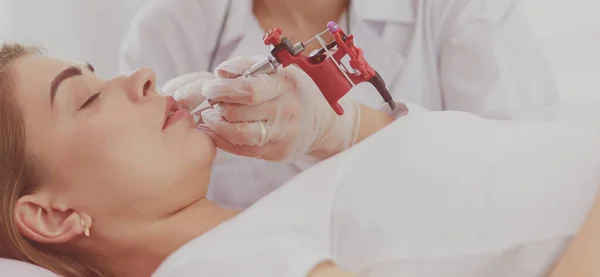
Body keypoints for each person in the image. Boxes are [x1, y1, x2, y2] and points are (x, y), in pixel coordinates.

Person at [1, 43, 600, 277]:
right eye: (86, 97)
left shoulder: (260, 228)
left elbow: (459, 187)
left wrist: (337, 130)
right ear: (52, 216)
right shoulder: (210, 269)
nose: (139, 76)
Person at [119, 0, 561, 209]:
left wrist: (347, 130)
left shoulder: (456, 9)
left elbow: (529, 181)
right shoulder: (169, 28)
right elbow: (141, 202)